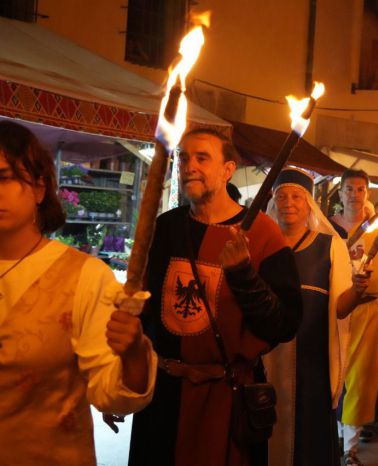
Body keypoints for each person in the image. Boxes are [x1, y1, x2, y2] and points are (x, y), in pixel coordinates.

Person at [128, 128, 303, 466]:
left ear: (227, 170)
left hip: (226, 401)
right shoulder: (165, 227)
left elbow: (283, 324)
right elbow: (142, 308)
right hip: (163, 396)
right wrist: (126, 372)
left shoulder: (265, 234)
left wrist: (243, 274)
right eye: (183, 157)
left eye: (202, 158)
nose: (188, 165)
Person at [0, 121, 156, 465]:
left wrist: (131, 354)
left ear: (40, 188)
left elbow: (112, 394)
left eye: (4, 177)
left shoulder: (83, 276)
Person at [265, 168, 370, 466]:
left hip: (312, 364)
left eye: (296, 196)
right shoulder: (262, 244)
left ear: (309, 203)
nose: (288, 202)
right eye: (281, 196)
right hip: (267, 359)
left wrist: (359, 290)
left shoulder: (328, 246)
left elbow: (340, 308)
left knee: (309, 441)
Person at [330, 169, 378, 466]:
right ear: (340, 193)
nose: (355, 195)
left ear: (367, 194)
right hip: (335, 311)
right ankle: (331, 436)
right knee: (333, 374)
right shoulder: (328, 228)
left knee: (359, 379)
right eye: (349, 189)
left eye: (360, 189)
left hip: (368, 310)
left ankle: (350, 449)